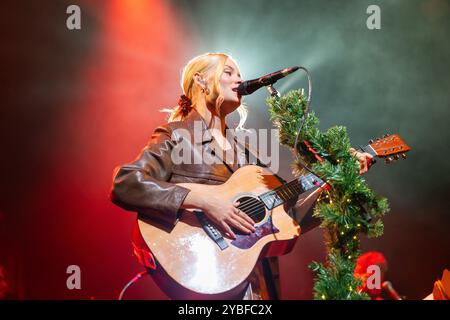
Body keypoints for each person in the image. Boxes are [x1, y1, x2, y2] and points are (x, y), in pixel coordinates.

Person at [110, 52, 373, 299]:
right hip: (207, 272)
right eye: (229, 72)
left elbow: (289, 219)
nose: (239, 79)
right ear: (201, 80)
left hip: (256, 283)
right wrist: (202, 200)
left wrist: (337, 179)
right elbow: (126, 182)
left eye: (239, 73)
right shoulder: (177, 136)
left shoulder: (245, 149)